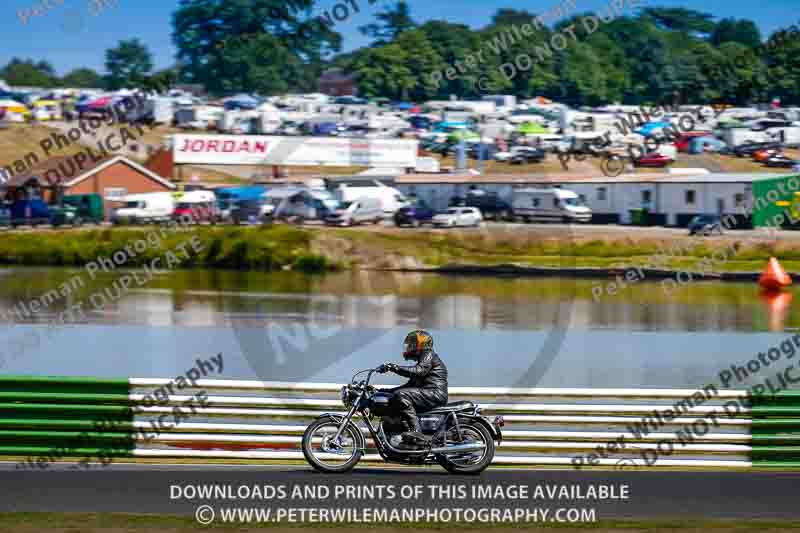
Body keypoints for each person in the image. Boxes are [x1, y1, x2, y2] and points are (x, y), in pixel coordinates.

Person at [378, 330, 448, 445]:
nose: (409, 348)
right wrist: (383, 392)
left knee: (401, 395)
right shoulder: (423, 359)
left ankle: (416, 432)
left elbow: (418, 371)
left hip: (434, 393)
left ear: (420, 344)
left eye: (411, 344)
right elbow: (409, 385)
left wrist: (395, 368)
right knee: (398, 395)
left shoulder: (428, 355)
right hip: (427, 392)